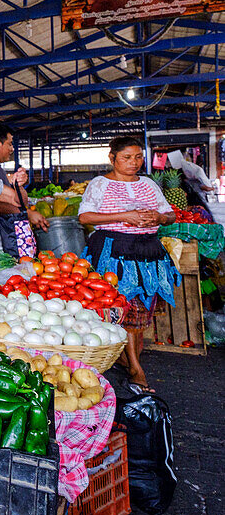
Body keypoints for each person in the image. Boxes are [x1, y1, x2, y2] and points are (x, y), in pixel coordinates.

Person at [79, 135, 177, 390]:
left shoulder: (148, 184)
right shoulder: (100, 184)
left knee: (141, 311)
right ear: (112, 159)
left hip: (147, 254)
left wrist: (158, 216)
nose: (134, 162)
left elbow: (170, 215)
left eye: (138, 157)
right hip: (114, 253)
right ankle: (135, 368)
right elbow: (85, 216)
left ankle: (127, 357)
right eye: (126, 158)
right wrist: (126, 216)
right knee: (124, 308)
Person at [0, 124, 49, 257]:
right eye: (9, 144)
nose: (12, 149)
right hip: (0, 232)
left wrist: (18, 185)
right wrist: (26, 214)